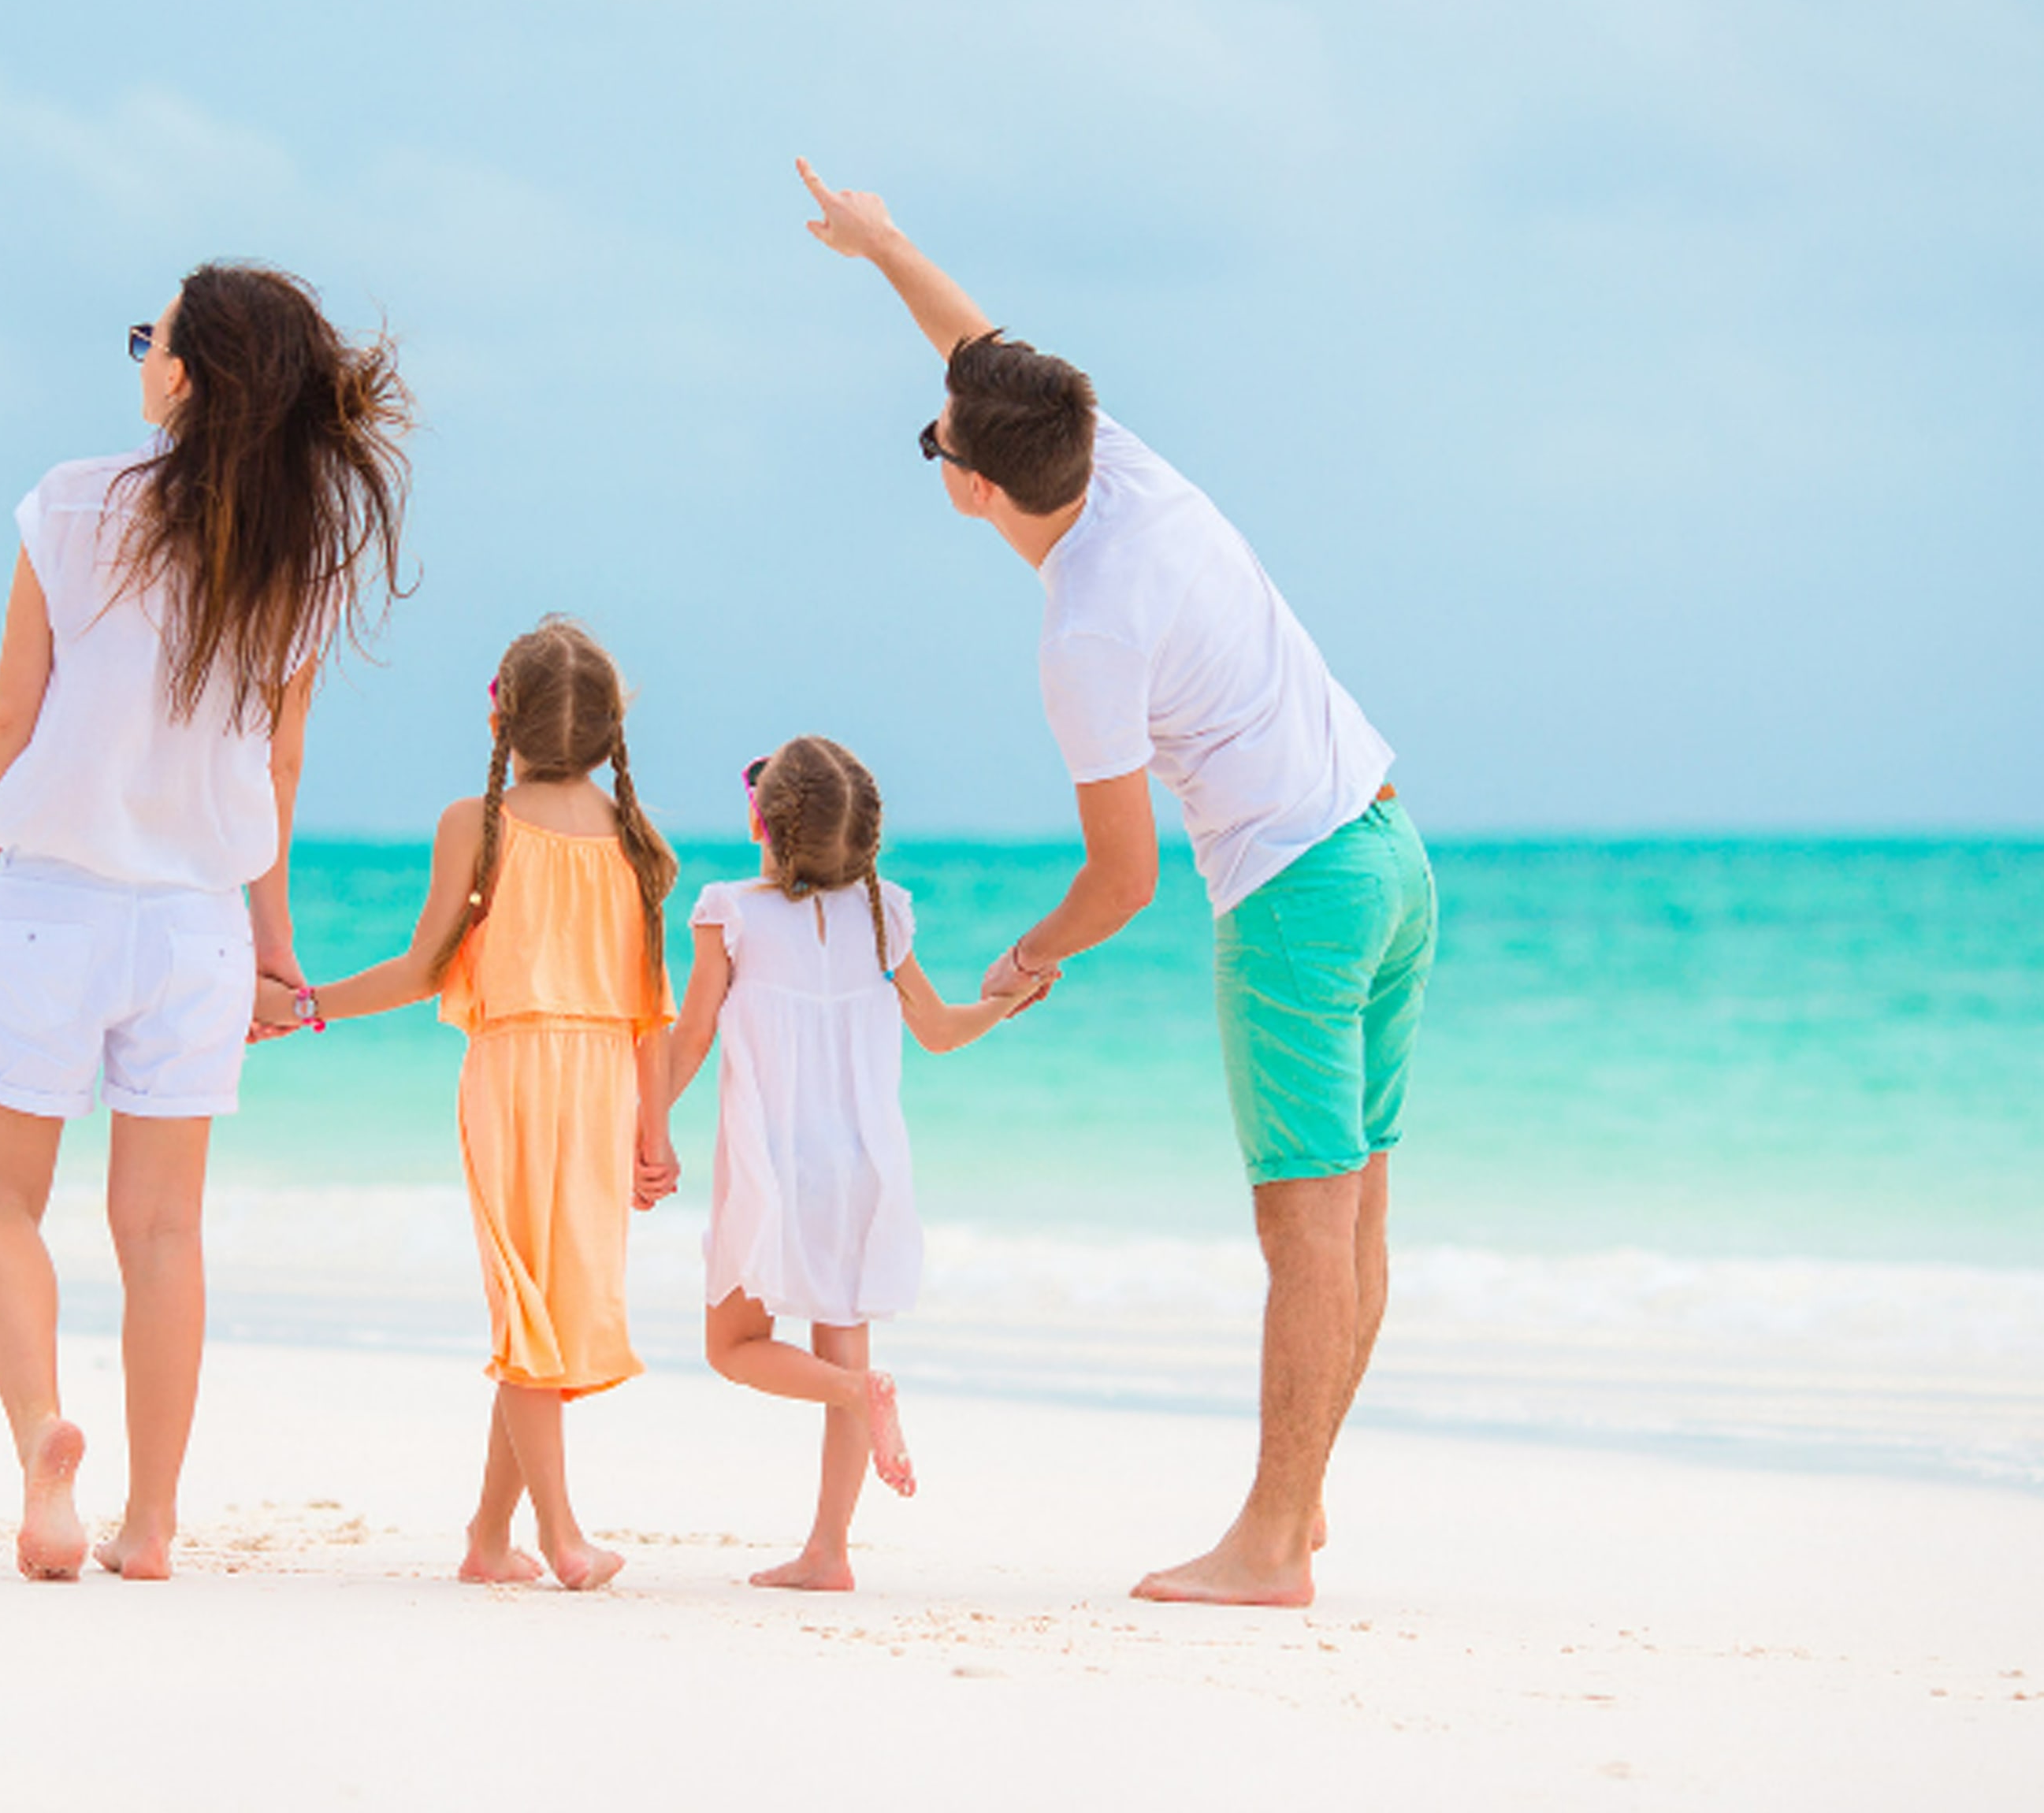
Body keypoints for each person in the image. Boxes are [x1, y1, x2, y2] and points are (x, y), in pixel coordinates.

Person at [796, 159, 1439, 1608]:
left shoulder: (1085, 629)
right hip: (1394, 854)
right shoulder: (1122, 466)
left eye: (936, 440)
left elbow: (1123, 878)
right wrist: (886, 244)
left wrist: (1024, 963)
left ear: (971, 486)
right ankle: (1304, 1499)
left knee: (1305, 1232)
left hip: (1295, 896)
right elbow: (978, 353)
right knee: (1359, 1221)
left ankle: (1271, 1544)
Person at [0, 263, 410, 1582]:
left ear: (190, 377)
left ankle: (45, 1442)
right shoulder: (301, 559)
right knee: (161, 1233)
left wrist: (4, 848)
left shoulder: (73, 504)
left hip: (57, 895)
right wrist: (273, 943)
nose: (141, 353)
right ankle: (151, 1525)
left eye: (153, 338)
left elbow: (10, 712)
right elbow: (279, 767)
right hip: (203, 925)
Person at [283, 617, 678, 1592]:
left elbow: (423, 970)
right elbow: (653, 1011)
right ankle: (546, 1534)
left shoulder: (478, 820)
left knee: (539, 1307)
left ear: (499, 710)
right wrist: (656, 1129)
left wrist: (307, 1006)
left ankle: (499, 1539)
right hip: (602, 1084)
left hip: (515, 1075)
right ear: (611, 725)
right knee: (535, 1305)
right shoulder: (634, 834)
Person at [665, 734, 1026, 1592]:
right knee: (843, 1346)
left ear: (763, 822)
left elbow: (690, 1039)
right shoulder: (884, 915)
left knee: (734, 1345)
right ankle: (829, 1550)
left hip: (771, 1164)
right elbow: (938, 1032)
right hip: (862, 1167)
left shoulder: (729, 911)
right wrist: (1005, 1003)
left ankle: (859, 1399)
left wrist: (647, 1129)